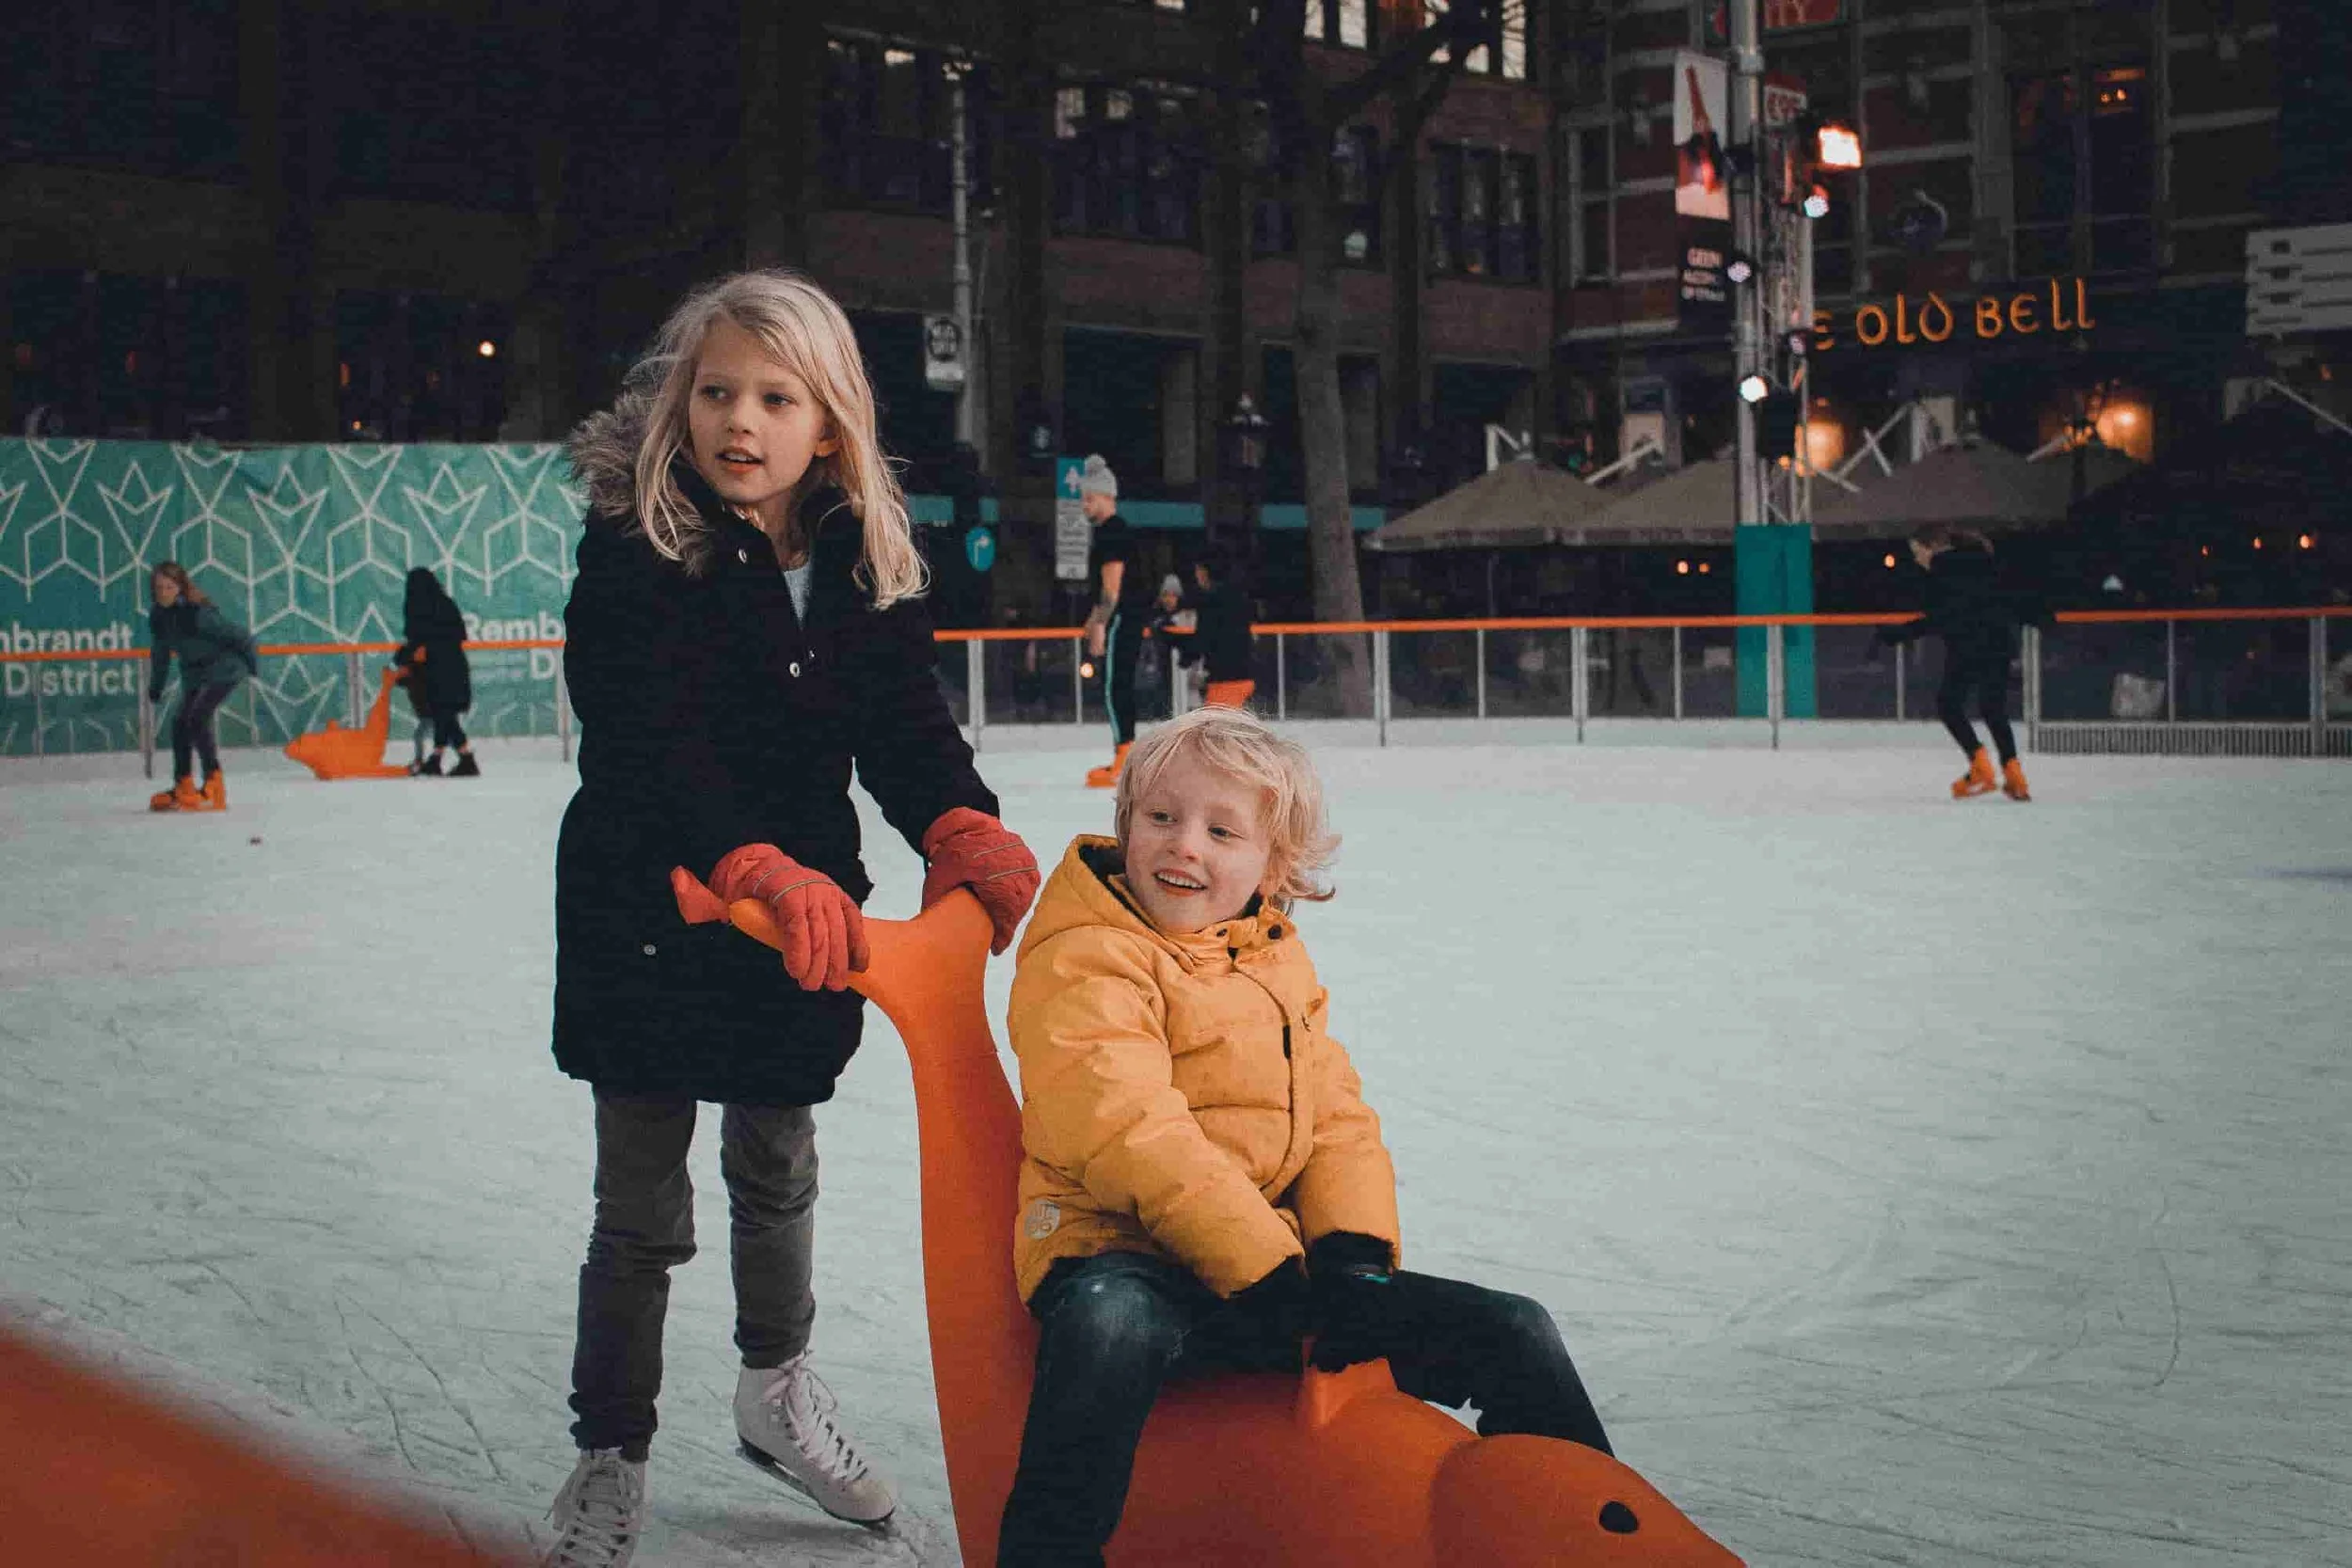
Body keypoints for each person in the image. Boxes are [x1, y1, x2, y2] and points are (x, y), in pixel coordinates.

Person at [546, 268, 1042, 1568]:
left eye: (776, 397)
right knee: (641, 1205)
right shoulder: (636, 545)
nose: (740, 421)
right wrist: (746, 859)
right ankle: (611, 1450)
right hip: (651, 902)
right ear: (682, 403)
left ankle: (775, 1388)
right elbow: (644, 734)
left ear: (829, 420)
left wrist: (959, 821)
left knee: (776, 1162)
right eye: (717, 391)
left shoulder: (863, 557)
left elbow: (903, 722)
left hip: (802, 915)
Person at [996, 706, 1613, 1568]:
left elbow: (1333, 1117)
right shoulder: (1088, 954)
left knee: (1515, 1326)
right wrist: (1265, 1271)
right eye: (1161, 816)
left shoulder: (1271, 957)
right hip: (1120, 1251)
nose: (1184, 846)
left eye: (1221, 830)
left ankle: (1586, 1539)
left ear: (1273, 864)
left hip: (1267, 1264)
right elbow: (1128, 1127)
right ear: (1126, 823)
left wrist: (1353, 1256)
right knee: (1110, 1323)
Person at [1875, 524, 2043, 801]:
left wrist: (1899, 633)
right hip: (1999, 644)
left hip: (1967, 645)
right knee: (1993, 708)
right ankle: (2015, 775)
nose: (1917, 559)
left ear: (1932, 548)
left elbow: (1942, 617)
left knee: (1948, 704)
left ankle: (1981, 767)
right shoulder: (1985, 561)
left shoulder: (1942, 570)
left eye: (1917, 552)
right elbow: (2012, 597)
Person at [144, 562, 258, 813]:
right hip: (195, 673)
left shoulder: (197, 613)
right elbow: (160, 653)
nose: (164, 592)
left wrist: (252, 665)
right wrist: (156, 686)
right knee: (179, 722)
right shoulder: (158, 617)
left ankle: (213, 783)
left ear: (180, 587)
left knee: (197, 718)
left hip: (224, 669)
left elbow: (241, 636)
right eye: (159, 587)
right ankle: (183, 784)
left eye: (169, 587)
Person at [1079, 455, 1150, 788]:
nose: (1084, 505)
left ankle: (1125, 758)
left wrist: (1099, 624)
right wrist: (1093, 618)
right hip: (1125, 616)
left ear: (1107, 496)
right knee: (1118, 683)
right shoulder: (1114, 531)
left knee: (1115, 685)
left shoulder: (1112, 532)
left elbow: (1112, 588)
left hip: (1123, 617)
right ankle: (1124, 755)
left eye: (1089, 498)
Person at [393, 567, 478, 776]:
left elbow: (419, 642)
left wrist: (414, 654)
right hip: (447, 669)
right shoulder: (444, 605)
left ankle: (455, 759)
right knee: (444, 715)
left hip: (439, 672)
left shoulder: (420, 609)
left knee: (443, 713)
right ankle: (451, 758)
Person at [1178, 550, 1256, 708]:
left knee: (1220, 722)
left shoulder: (1210, 601)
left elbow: (1203, 638)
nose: (1196, 576)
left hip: (1224, 681)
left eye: (1197, 570)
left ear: (1204, 572)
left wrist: (1184, 656)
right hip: (1243, 677)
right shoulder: (1238, 597)